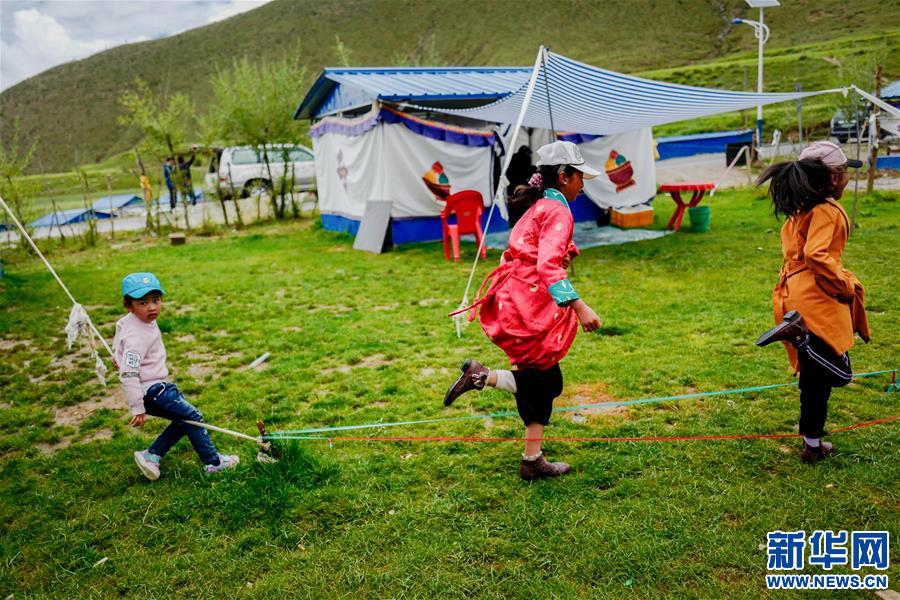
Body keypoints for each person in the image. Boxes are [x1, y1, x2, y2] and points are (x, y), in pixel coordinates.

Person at [444, 141, 603, 480]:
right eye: (579, 176)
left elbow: (519, 251)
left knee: (540, 380)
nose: (583, 184)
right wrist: (580, 306)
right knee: (545, 380)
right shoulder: (557, 211)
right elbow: (547, 266)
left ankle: (529, 455)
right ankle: (484, 380)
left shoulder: (538, 206)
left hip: (513, 300)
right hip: (530, 305)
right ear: (564, 176)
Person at [754, 141, 869, 464]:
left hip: (793, 293)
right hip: (816, 296)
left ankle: (812, 444)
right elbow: (816, 255)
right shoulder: (826, 211)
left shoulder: (799, 211)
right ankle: (801, 336)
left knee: (813, 380)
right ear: (833, 178)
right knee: (840, 372)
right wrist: (844, 285)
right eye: (845, 172)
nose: (848, 178)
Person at [114, 272, 239, 480]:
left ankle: (152, 455)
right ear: (129, 305)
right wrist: (137, 407)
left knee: (184, 420)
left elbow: (120, 335)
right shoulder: (137, 335)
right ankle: (214, 463)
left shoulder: (133, 321)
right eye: (143, 303)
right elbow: (129, 372)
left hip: (153, 389)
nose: (152, 308)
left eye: (156, 300)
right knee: (193, 418)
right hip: (155, 391)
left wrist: (118, 356)